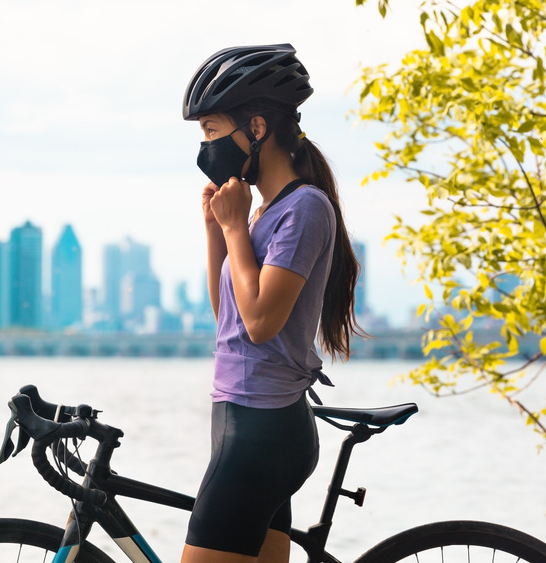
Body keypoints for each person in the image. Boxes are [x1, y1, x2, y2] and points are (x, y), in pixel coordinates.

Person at [180, 44, 362, 563]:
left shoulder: (304, 208)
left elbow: (261, 323)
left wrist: (237, 226)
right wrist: (218, 228)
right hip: (241, 420)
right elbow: (230, 318)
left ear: (256, 128)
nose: (206, 148)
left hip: (262, 431)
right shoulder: (265, 212)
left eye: (213, 132)